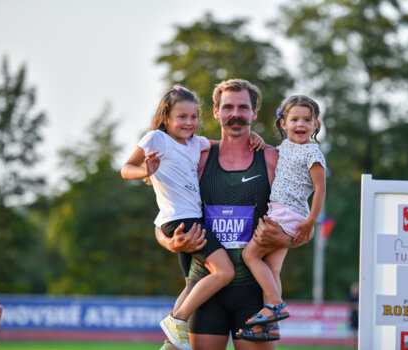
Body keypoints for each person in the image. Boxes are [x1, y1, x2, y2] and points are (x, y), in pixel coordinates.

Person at [156, 79, 302, 350]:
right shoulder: (196, 158)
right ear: (215, 111)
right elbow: (165, 216)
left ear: (254, 113)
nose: (236, 114)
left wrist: (285, 238)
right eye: (228, 107)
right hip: (205, 290)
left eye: (243, 108)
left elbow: (304, 227)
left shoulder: (273, 160)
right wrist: (170, 242)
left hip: (255, 293)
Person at [121, 85, 263, 350]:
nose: (189, 123)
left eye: (193, 117)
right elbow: (125, 169)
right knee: (224, 271)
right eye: (182, 117)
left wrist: (253, 136)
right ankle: (178, 320)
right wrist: (145, 171)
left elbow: (227, 143)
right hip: (182, 222)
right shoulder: (155, 138)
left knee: (192, 284)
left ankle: (170, 344)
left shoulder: (196, 144)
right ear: (166, 118)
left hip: (192, 219)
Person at [237, 95, 326, 341]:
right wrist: (256, 138)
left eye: (307, 120)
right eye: (294, 119)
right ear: (283, 123)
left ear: (316, 124)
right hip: (281, 211)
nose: (301, 124)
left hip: (287, 213)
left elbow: (320, 189)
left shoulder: (312, 152)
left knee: (250, 255)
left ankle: (276, 304)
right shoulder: (285, 147)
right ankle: (270, 326)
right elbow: (268, 151)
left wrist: (311, 222)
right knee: (273, 268)